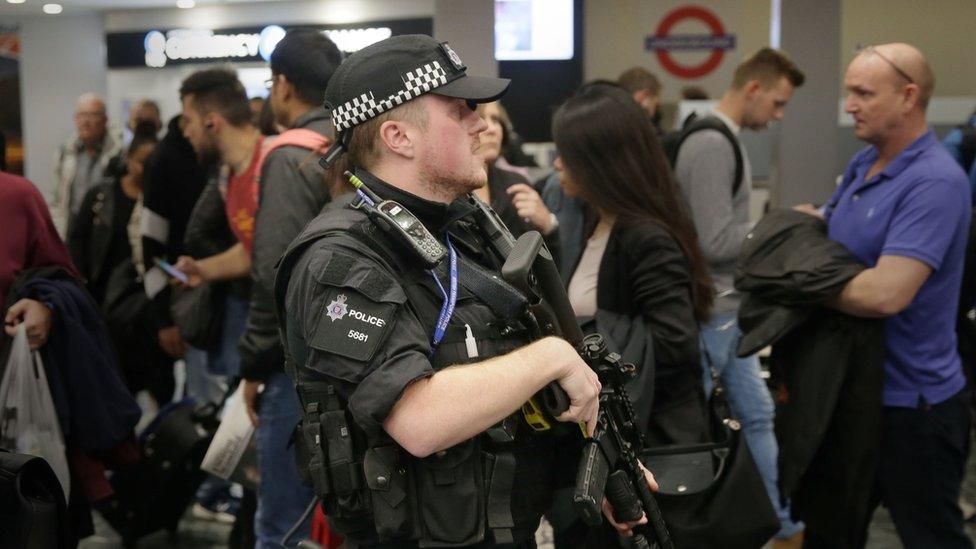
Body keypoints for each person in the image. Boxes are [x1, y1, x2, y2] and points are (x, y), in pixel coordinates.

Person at [275, 34, 654, 547]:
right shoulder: (340, 259)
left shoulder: (465, 229)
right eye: (459, 110)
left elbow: (510, 374)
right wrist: (552, 358)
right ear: (398, 136)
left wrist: (595, 465)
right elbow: (419, 419)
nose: (482, 124)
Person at [795, 43, 972, 549]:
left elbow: (885, 295)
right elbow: (822, 233)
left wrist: (802, 284)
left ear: (908, 97)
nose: (849, 104)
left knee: (930, 537)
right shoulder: (863, 165)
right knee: (830, 533)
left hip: (915, 408)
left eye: (862, 93)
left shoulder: (935, 180)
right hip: (853, 395)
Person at [673, 47, 806, 548]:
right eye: (777, 102)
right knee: (703, 425)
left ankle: (783, 525)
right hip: (712, 313)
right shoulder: (711, 144)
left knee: (757, 417)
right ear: (753, 88)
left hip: (725, 312)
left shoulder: (720, 139)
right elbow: (714, 241)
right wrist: (781, 228)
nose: (778, 116)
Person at [236, 29, 342, 548]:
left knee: (283, 522)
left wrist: (254, 366)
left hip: (295, 367)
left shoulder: (287, 156)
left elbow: (271, 272)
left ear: (281, 85)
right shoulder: (360, 144)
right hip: (361, 358)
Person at [474, 101, 555, 239]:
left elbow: (542, 256)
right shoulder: (446, 191)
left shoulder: (516, 184)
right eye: (480, 119)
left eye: (496, 120)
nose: (492, 129)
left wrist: (548, 226)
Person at [52, 93, 123, 237]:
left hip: (106, 231)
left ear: (104, 120)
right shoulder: (65, 151)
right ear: (75, 119)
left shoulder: (118, 151)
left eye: (92, 115)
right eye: (81, 115)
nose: (85, 121)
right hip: (73, 229)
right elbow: (57, 197)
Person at [617, 67, 662, 132]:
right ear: (643, 96)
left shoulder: (609, 123)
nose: (654, 112)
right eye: (656, 105)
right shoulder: (640, 134)